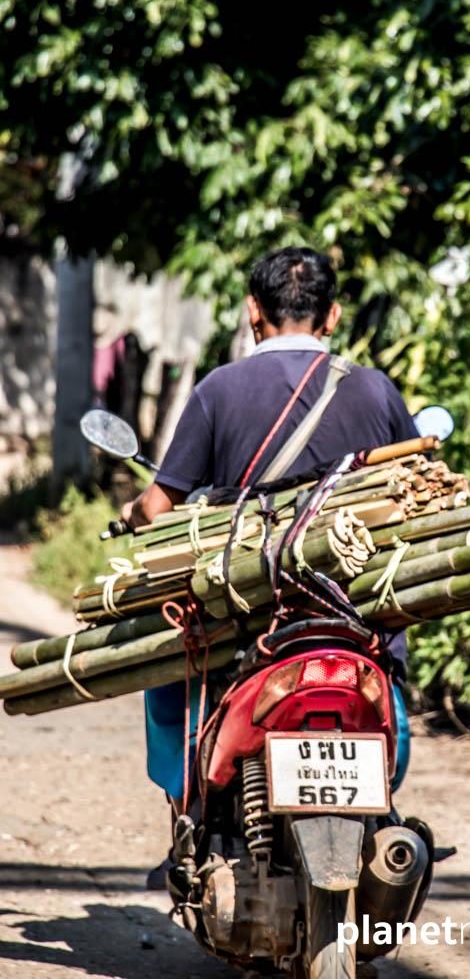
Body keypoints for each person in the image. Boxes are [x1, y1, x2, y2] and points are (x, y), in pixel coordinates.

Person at [123, 246, 417, 885]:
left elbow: (160, 504)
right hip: (354, 621)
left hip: (249, 621)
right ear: (332, 315)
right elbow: (412, 495)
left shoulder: (219, 389)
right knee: (393, 675)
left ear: (253, 312)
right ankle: (384, 806)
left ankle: (189, 819)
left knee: (172, 687)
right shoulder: (374, 387)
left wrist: (136, 512)